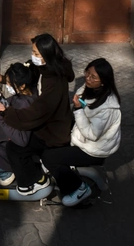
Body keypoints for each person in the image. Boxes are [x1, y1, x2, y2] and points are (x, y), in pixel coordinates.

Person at [0, 33, 75, 195]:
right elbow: (27, 77)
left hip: (52, 132)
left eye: (36, 54)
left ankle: (34, 181)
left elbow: (34, 114)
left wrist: (7, 114)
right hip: (47, 123)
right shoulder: (45, 68)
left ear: (47, 54)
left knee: (15, 148)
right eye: (33, 52)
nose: (33, 57)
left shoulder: (53, 81)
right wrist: (4, 79)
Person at [41, 57, 121, 207]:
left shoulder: (107, 108)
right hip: (81, 136)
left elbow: (92, 134)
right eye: (87, 73)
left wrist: (78, 109)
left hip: (93, 149)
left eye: (93, 77)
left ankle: (78, 188)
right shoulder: (88, 89)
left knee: (49, 158)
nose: (88, 78)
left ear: (103, 82)